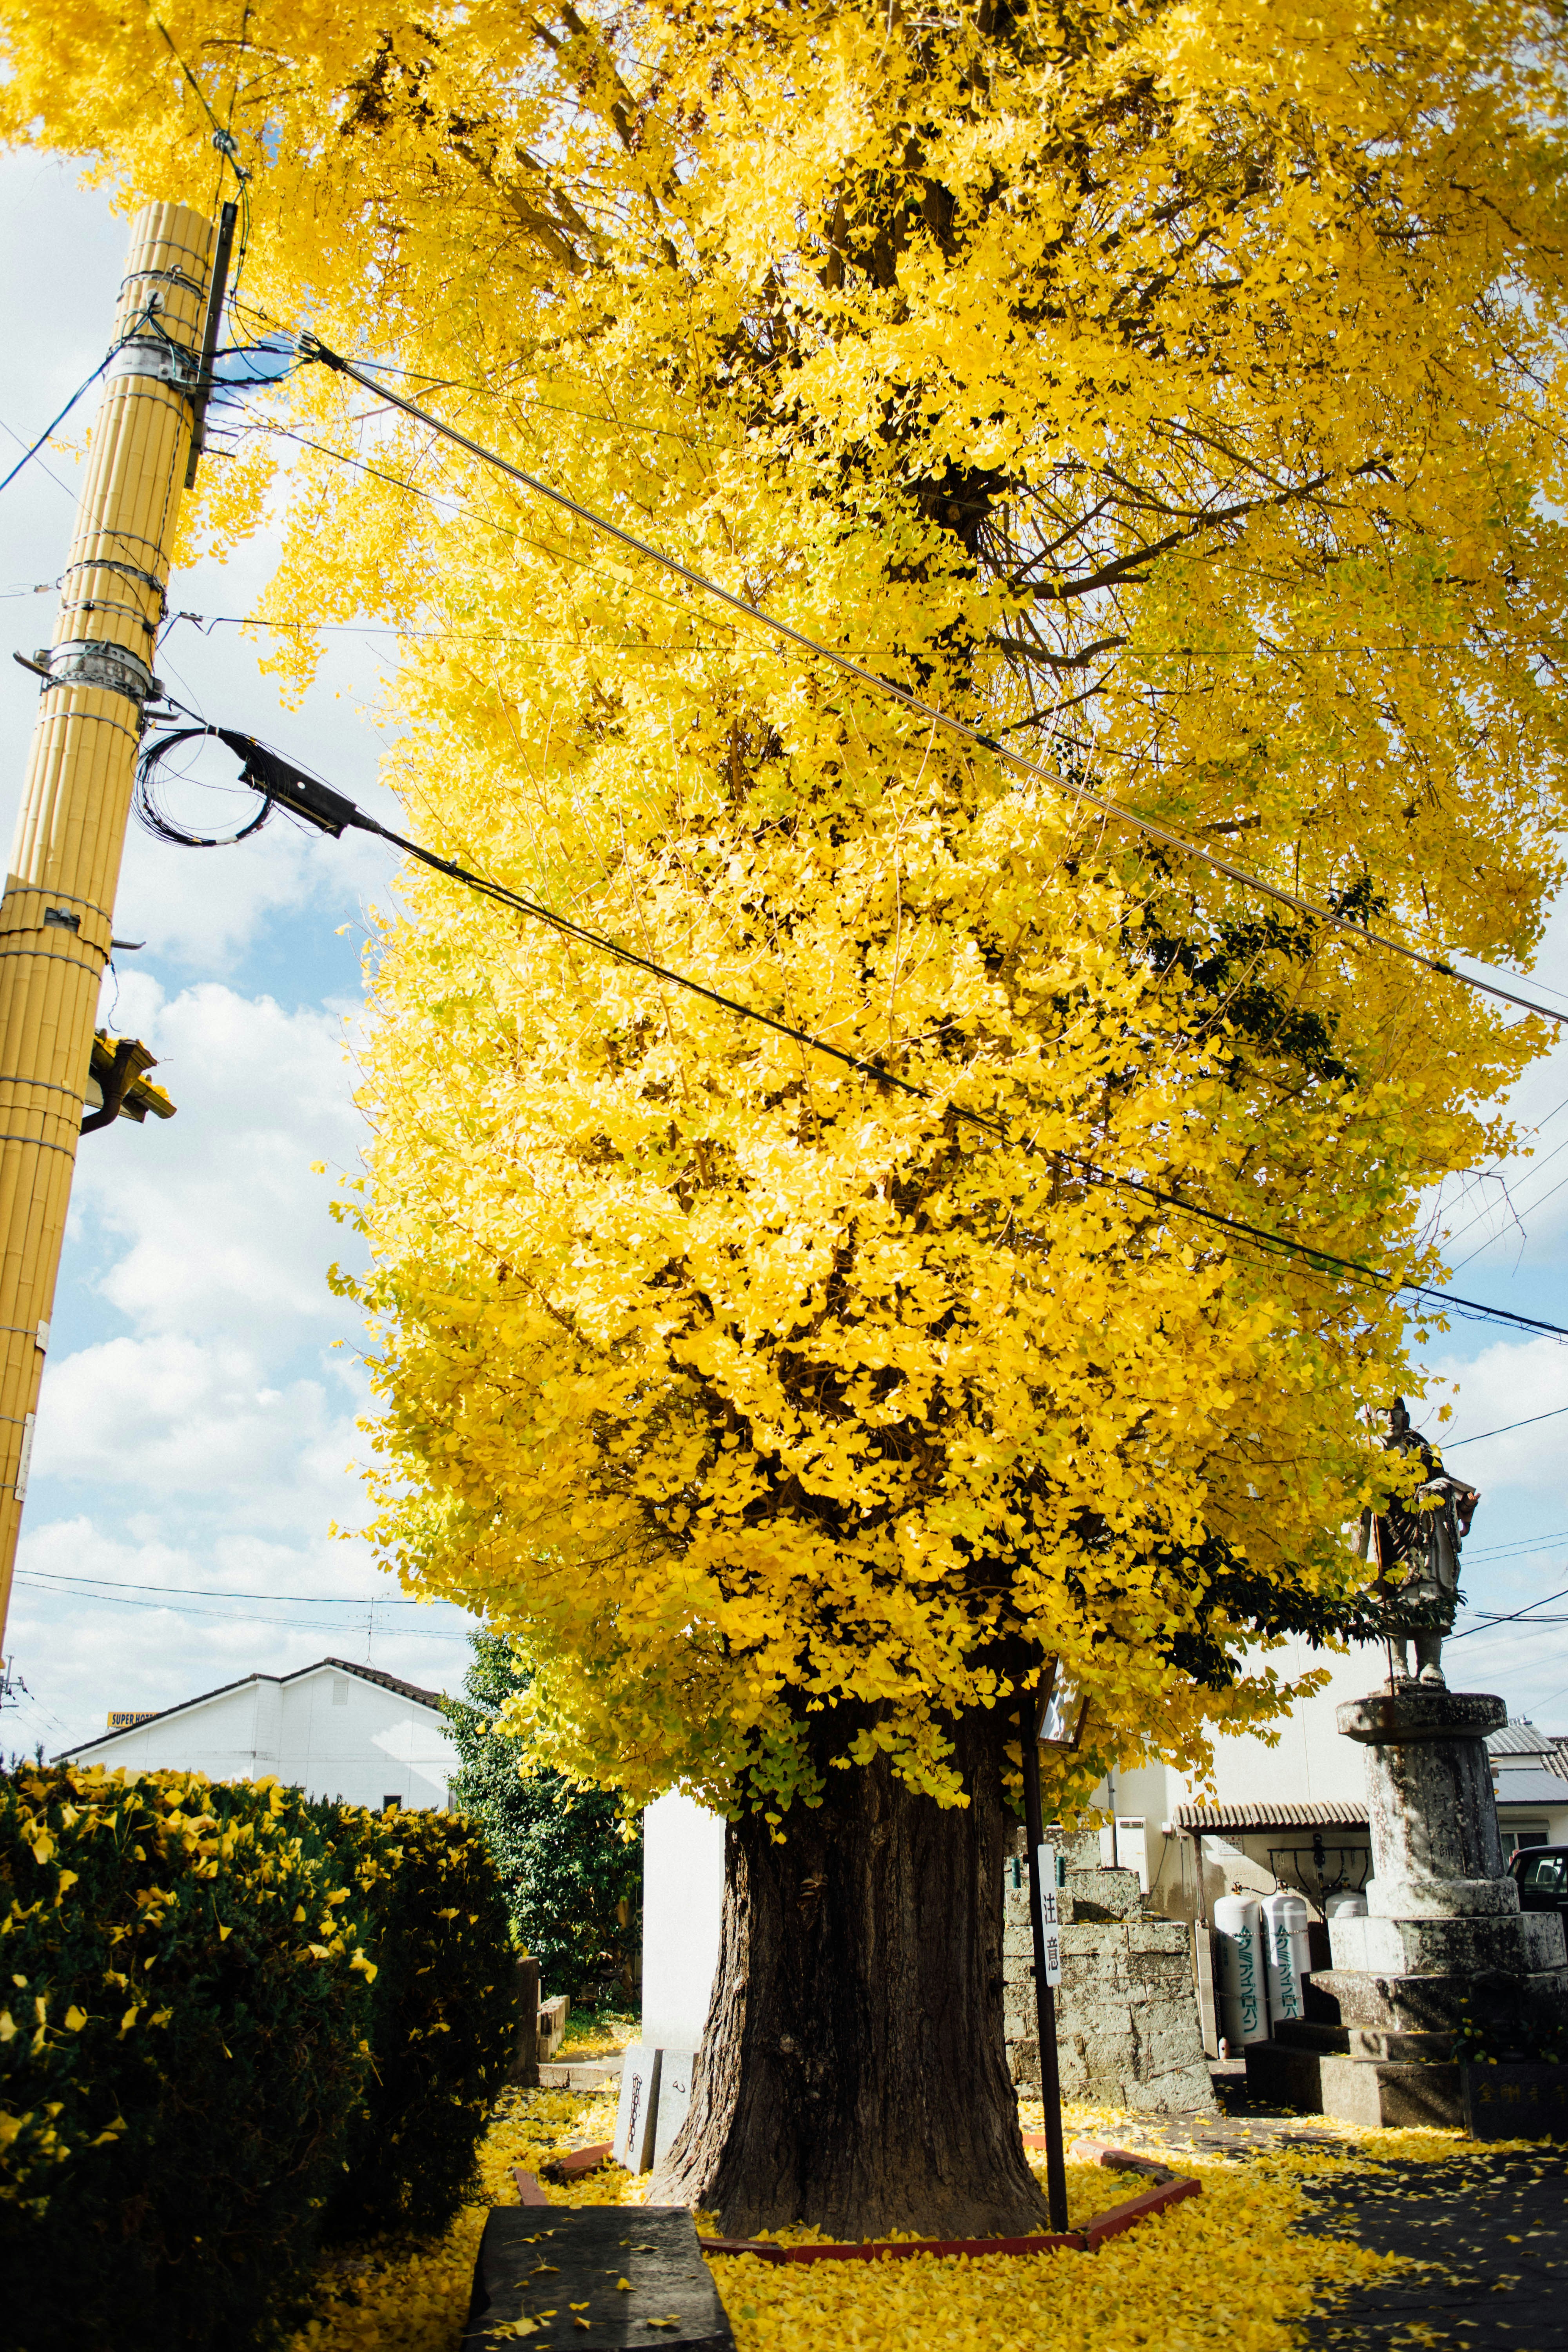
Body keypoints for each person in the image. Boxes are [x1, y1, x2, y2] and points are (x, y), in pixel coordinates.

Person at [1364, 1397, 1479, 1688]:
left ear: (1407, 1417)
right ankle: (1398, 1663)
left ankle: (1431, 1664)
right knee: (1392, 1598)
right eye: (1383, 1414)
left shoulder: (1422, 1450)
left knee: (1428, 1595)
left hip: (1423, 1533)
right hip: (1386, 1533)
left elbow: (1445, 1483)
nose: (1391, 1419)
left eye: (1397, 1413)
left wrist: (1453, 1501)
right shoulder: (1365, 1452)